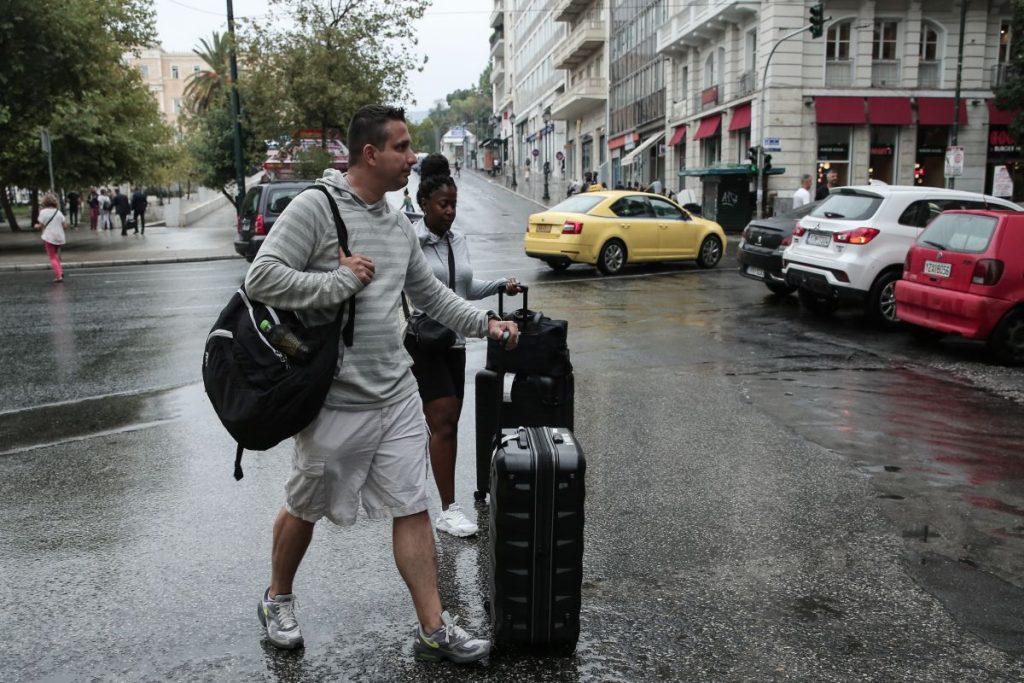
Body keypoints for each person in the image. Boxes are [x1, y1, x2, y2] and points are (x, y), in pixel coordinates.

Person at [244, 104, 519, 660]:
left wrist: (485, 322)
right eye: (401, 147)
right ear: (370, 154)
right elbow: (261, 277)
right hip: (334, 399)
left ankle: (433, 625)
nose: (411, 158)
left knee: (412, 506)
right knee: (304, 507)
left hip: (394, 392)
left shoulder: (397, 224)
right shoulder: (314, 209)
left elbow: (431, 296)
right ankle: (278, 596)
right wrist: (338, 281)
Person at [405, 154, 520, 538]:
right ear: (424, 205)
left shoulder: (459, 240)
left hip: (455, 341)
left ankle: (435, 491)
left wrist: (500, 285)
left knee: (447, 424)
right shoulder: (413, 242)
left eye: (454, 204)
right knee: (444, 426)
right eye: (443, 205)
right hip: (425, 342)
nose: (451, 212)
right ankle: (448, 509)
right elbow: (411, 290)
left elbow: (463, 290)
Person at [35, 192, 67, 283]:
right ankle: (60, 271)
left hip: (49, 237)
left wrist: (36, 226)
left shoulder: (43, 212)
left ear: (45, 202)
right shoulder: (58, 212)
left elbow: (40, 226)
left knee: (52, 257)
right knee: (55, 255)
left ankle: (58, 276)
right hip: (59, 237)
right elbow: (65, 226)